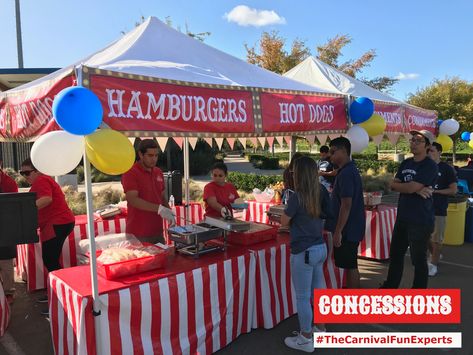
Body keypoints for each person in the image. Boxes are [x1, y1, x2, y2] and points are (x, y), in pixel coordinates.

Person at [281, 156, 332, 353]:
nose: (292, 174)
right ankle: (321, 330)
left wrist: (285, 218)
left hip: (303, 251)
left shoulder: (297, 196)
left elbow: (284, 221)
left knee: (302, 297)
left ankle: (305, 337)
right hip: (319, 248)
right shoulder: (320, 191)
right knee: (318, 293)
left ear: (299, 174)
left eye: (293, 171)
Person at [380, 130, 438, 289]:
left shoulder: (429, 165)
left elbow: (408, 186)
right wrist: (415, 189)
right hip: (403, 217)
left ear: (427, 145)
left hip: (420, 220)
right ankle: (390, 286)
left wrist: (411, 188)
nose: (413, 142)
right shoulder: (406, 163)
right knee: (396, 255)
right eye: (412, 140)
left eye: (418, 140)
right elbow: (392, 184)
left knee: (418, 260)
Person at [21, 158, 76, 313]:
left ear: (37, 170)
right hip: (58, 223)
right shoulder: (42, 180)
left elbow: (46, 199)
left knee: (51, 261)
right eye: (22, 173)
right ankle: (56, 294)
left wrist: (25, 209)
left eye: (27, 172)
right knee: (51, 260)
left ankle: (61, 299)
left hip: (56, 223)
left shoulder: (41, 180)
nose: (25, 176)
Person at [326, 137, 365, 289]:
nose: (331, 155)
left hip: (348, 230)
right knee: (351, 264)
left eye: (333, 152)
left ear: (343, 151)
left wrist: (338, 231)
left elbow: (346, 205)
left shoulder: (347, 173)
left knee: (350, 265)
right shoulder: (347, 171)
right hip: (351, 227)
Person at [121, 139, 175, 244]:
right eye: (150, 155)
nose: (154, 159)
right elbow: (133, 200)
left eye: (156, 155)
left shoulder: (158, 172)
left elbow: (161, 196)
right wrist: (159, 209)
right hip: (138, 233)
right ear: (140, 154)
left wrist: (169, 213)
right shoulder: (131, 172)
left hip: (157, 231)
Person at [427, 142, 457, 276]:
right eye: (428, 151)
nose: (429, 153)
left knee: (436, 238)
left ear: (439, 152)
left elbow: (453, 190)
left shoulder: (446, 169)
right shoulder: (424, 167)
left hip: (438, 209)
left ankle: (433, 265)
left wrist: (436, 192)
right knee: (425, 236)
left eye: (432, 151)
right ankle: (435, 254)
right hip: (423, 208)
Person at [0, 160, 18, 303]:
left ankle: (8, 292)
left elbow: (14, 205)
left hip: (6, 227)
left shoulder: (9, 182)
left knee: (6, 261)